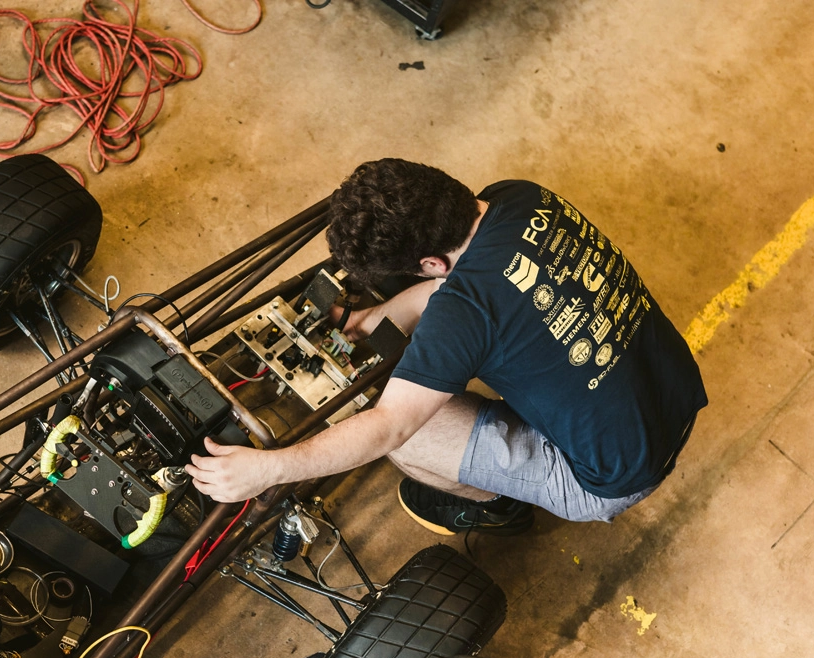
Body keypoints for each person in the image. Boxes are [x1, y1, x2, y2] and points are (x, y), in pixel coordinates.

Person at [185, 159, 707, 536]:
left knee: (406, 438)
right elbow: (463, 282)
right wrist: (372, 320)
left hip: (614, 476)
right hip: (672, 386)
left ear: (432, 263)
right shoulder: (519, 194)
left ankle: (497, 508)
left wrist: (268, 468)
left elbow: (389, 425)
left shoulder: (464, 314)